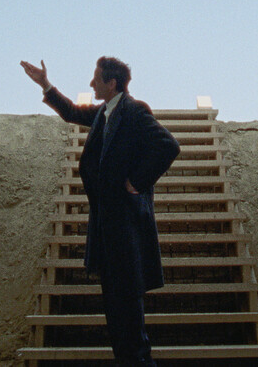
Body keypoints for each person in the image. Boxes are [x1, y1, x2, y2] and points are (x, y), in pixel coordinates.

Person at [21, 56, 179, 367]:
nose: (91, 84)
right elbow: (70, 112)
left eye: (96, 79)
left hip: (126, 232)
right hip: (107, 232)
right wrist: (44, 84)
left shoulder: (134, 111)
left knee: (130, 320)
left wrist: (136, 182)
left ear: (112, 83)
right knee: (117, 318)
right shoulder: (104, 114)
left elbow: (168, 146)